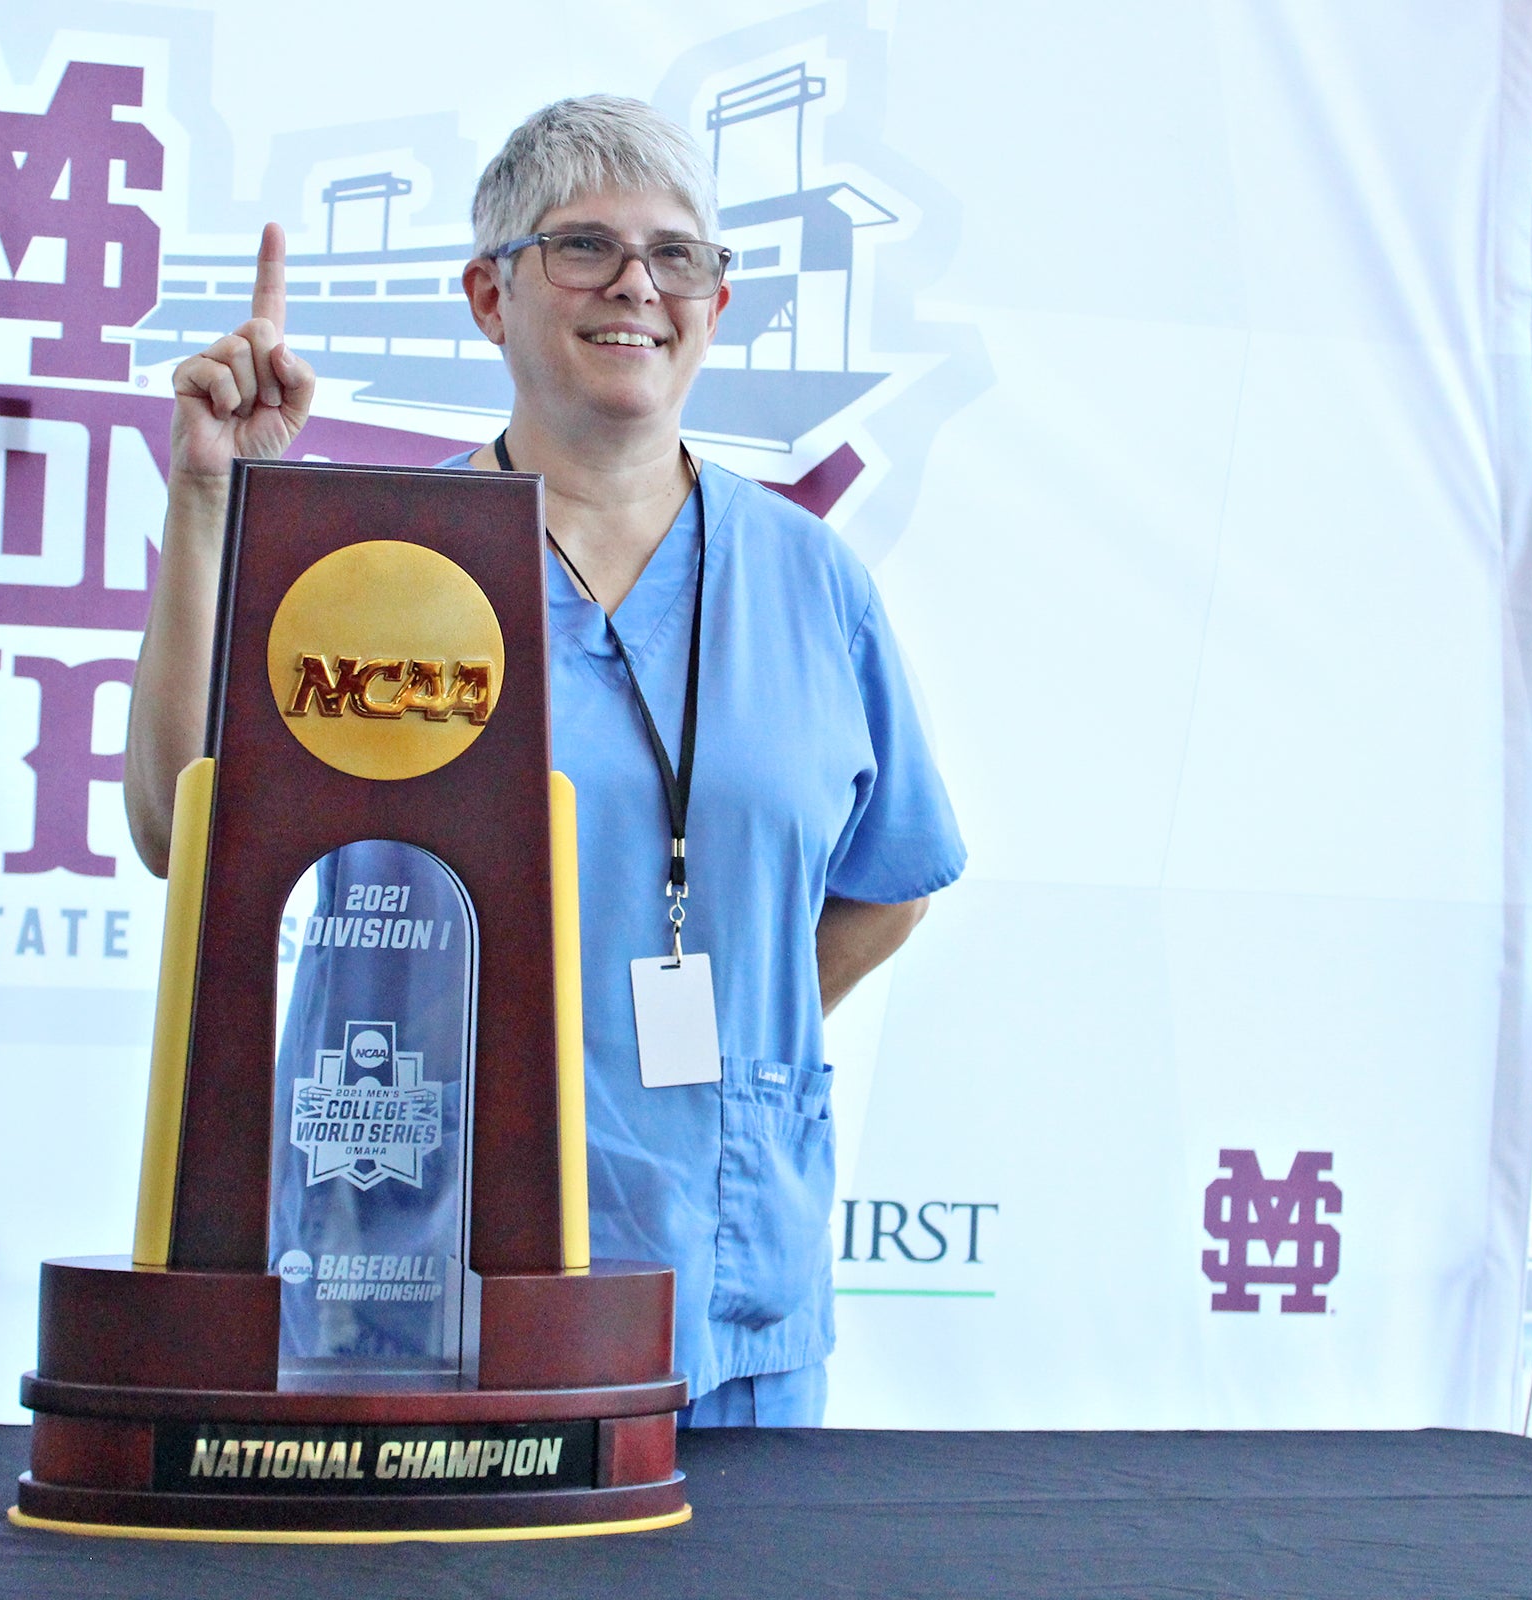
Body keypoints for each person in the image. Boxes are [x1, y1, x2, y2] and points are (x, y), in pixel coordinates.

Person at [124, 96, 964, 1427]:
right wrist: (209, 504)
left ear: (717, 302)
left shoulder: (813, 582)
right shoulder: (383, 575)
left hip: (726, 1286)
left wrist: (724, 1049)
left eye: (676, 254)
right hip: (411, 1291)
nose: (637, 284)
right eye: (584, 246)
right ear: (487, 294)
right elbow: (186, 833)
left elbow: (893, 881)